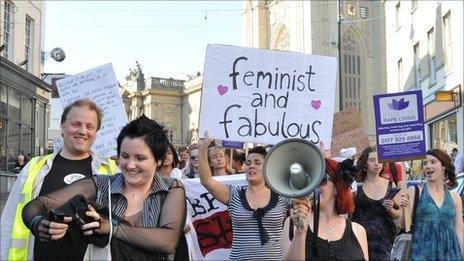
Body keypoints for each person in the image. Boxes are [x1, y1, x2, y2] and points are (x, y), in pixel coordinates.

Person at [21, 115, 186, 260]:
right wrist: (38, 223)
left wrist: (111, 227)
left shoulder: (172, 188)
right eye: (125, 156)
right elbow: (39, 204)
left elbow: (168, 241)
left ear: (158, 160)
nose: (130, 165)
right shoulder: (99, 184)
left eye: (140, 158)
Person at [1, 99, 118, 261]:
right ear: (62, 127)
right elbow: (8, 221)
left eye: (89, 126)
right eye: (76, 124)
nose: (83, 131)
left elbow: (122, 226)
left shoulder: (111, 171)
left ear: (96, 133)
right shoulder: (34, 167)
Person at [198, 131, 290, 260]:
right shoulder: (234, 194)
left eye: (257, 163)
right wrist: (203, 148)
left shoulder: (282, 196)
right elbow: (206, 181)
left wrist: (322, 158)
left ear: (268, 167)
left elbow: (308, 194)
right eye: (248, 163)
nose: (251, 166)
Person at [286, 158, 368, 260]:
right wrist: (300, 232)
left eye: (322, 179)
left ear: (336, 188)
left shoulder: (358, 231)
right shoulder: (292, 224)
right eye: (309, 180)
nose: (314, 186)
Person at [400, 149, 464, 260]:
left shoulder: (455, 197)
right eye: (425, 163)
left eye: (433, 162)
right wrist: (404, 209)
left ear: (443, 166)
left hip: (450, 255)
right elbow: (405, 226)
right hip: (421, 254)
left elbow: (459, 231)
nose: (428, 166)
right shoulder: (415, 192)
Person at [352, 146, 401, 260]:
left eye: (379, 160)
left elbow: (398, 213)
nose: (377, 164)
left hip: (383, 240)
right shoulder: (356, 185)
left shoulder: (390, 184)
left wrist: (391, 209)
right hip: (360, 236)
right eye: (372, 160)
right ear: (365, 163)